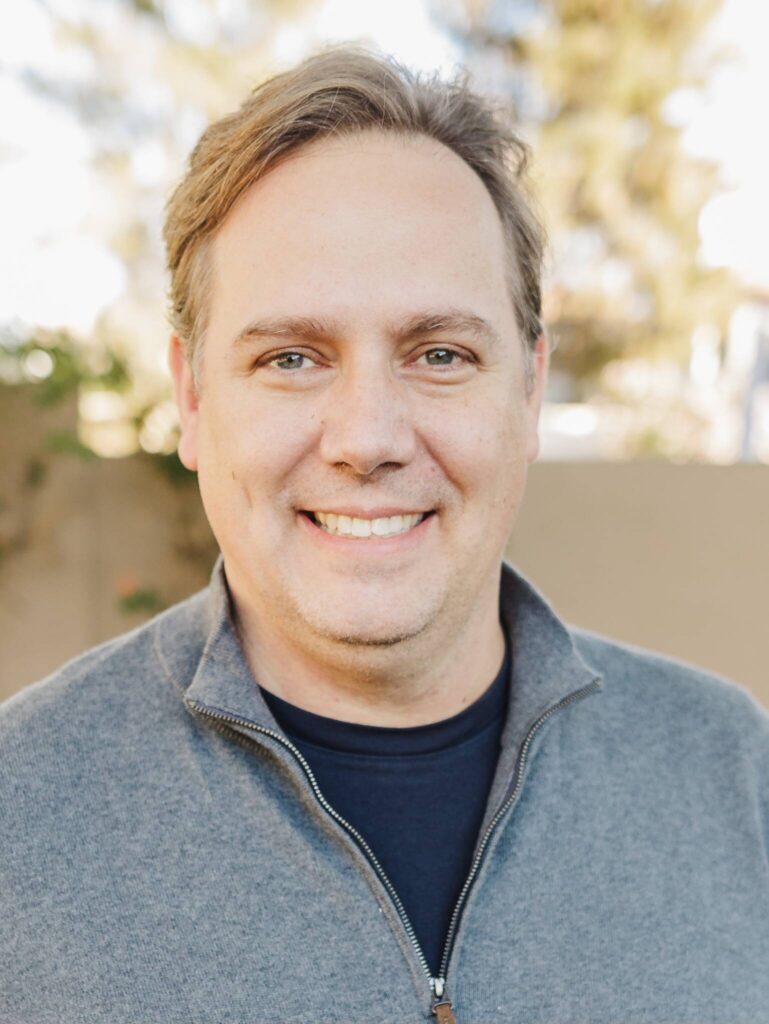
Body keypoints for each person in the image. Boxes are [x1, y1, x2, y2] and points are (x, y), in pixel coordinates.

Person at [1, 47, 767, 1024]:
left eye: (439, 353)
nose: (367, 439)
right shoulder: (20, 810)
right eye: (291, 358)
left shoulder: (729, 771)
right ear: (192, 399)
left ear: (529, 390)